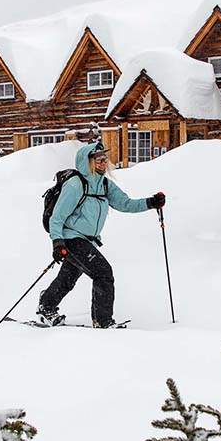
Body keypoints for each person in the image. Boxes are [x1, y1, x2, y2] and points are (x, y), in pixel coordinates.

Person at [37, 141, 166, 328]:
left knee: (67, 278)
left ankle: (47, 305)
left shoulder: (105, 184)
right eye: (98, 160)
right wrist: (57, 242)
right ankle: (103, 321)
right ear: (86, 162)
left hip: (88, 241)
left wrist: (151, 202)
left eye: (104, 159)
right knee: (103, 273)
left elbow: (126, 204)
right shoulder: (75, 185)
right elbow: (57, 217)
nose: (103, 163)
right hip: (71, 239)